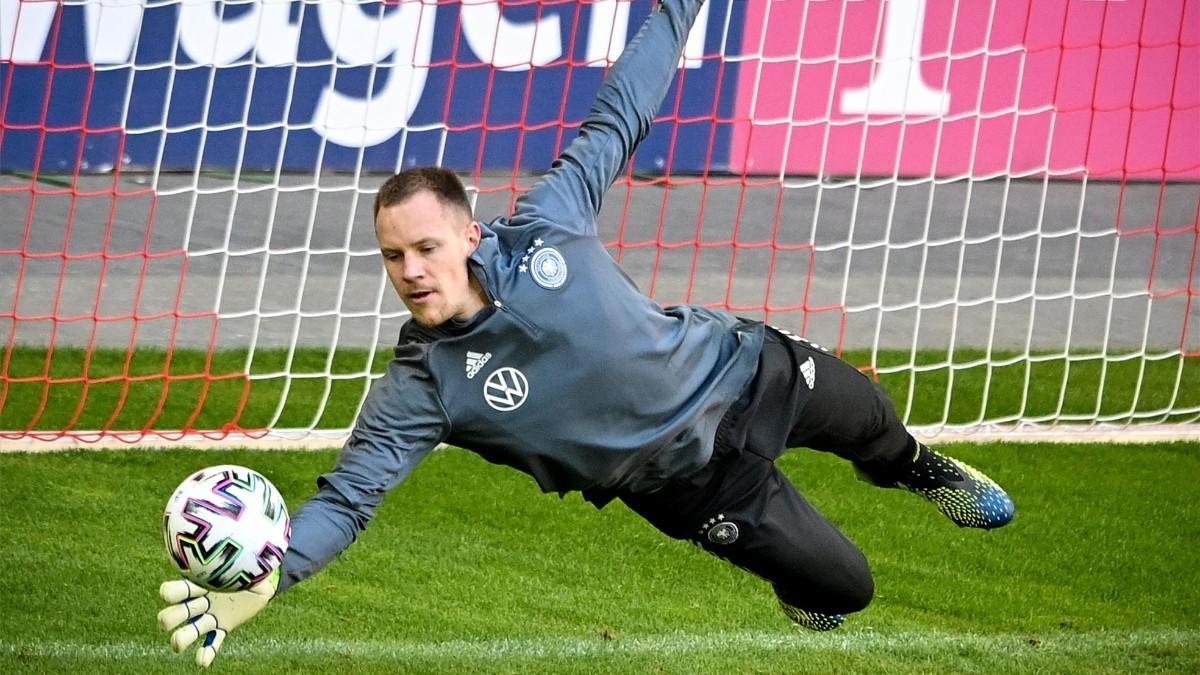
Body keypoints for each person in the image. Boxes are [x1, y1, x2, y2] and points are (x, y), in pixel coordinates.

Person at [157, 0, 1014, 666]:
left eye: (423, 247)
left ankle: (919, 470)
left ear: (467, 232)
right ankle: (793, 574)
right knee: (845, 587)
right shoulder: (421, 387)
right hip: (690, 487)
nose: (411, 269)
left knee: (872, 420)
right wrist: (260, 583)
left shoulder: (549, 225)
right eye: (392, 257)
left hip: (744, 370)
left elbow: (619, 111)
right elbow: (346, 502)